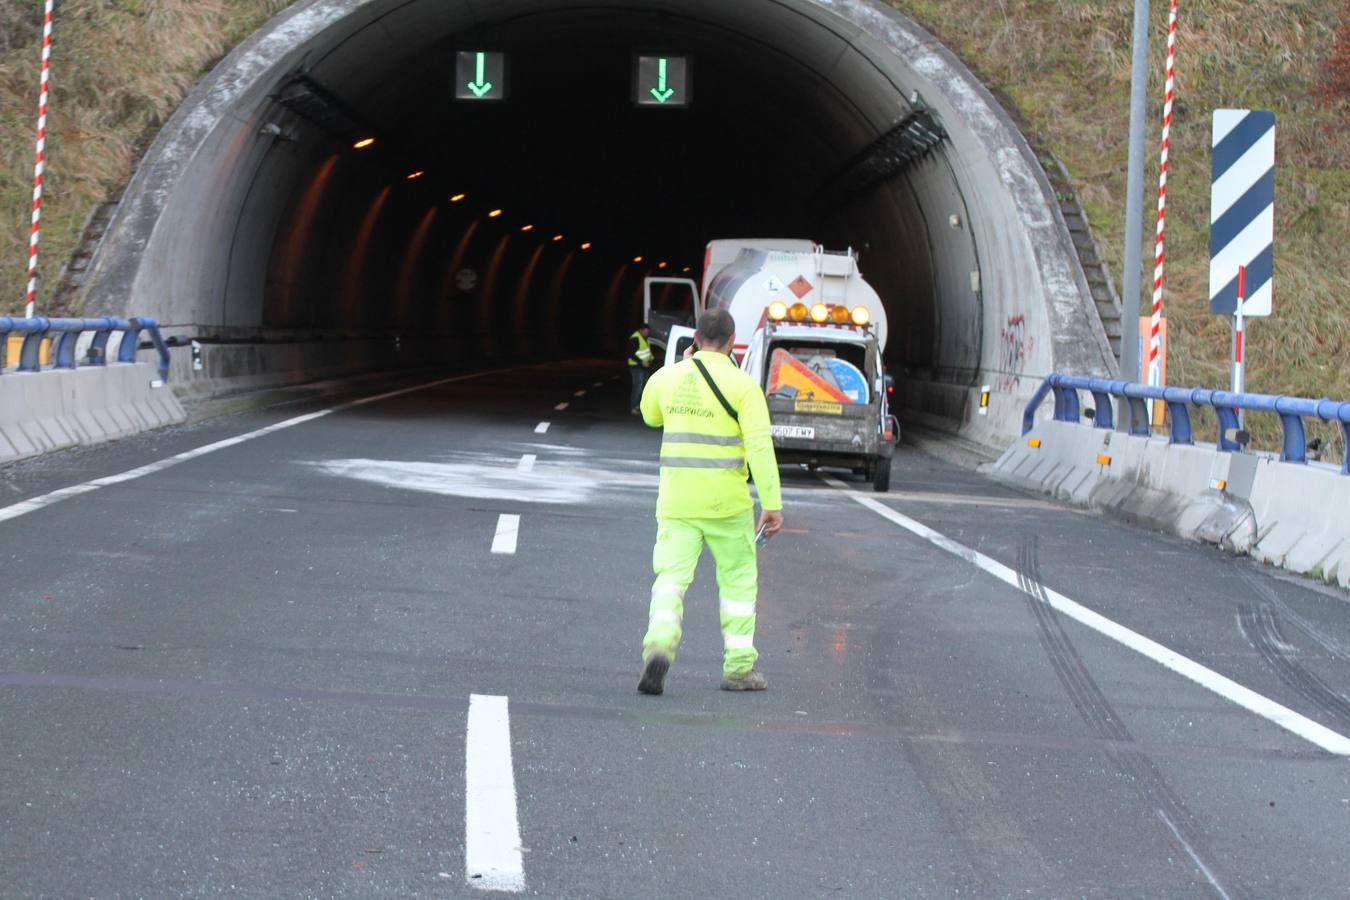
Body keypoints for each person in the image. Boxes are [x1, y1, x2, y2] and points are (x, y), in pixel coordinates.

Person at [635, 308, 783, 695]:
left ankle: (659, 646)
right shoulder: (744, 386)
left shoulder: (667, 378)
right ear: (733, 341)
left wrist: (682, 373)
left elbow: (651, 416)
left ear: (695, 339)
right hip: (727, 505)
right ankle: (738, 667)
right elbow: (760, 448)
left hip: (677, 501)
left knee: (670, 579)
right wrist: (772, 503)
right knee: (737, 581)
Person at [626, 323, 653, 414]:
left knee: (643, 387)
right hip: (636, 367)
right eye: (646, 332)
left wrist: (651, 359)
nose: (648, 333)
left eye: (648, 332)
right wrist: (641, 362)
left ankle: (638, 405)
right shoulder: (635, 338)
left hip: (644, 367)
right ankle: (634, 407)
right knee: (638, 386)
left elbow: (646, 352)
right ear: (641, 330)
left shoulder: (645, 339)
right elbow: (630, 353)